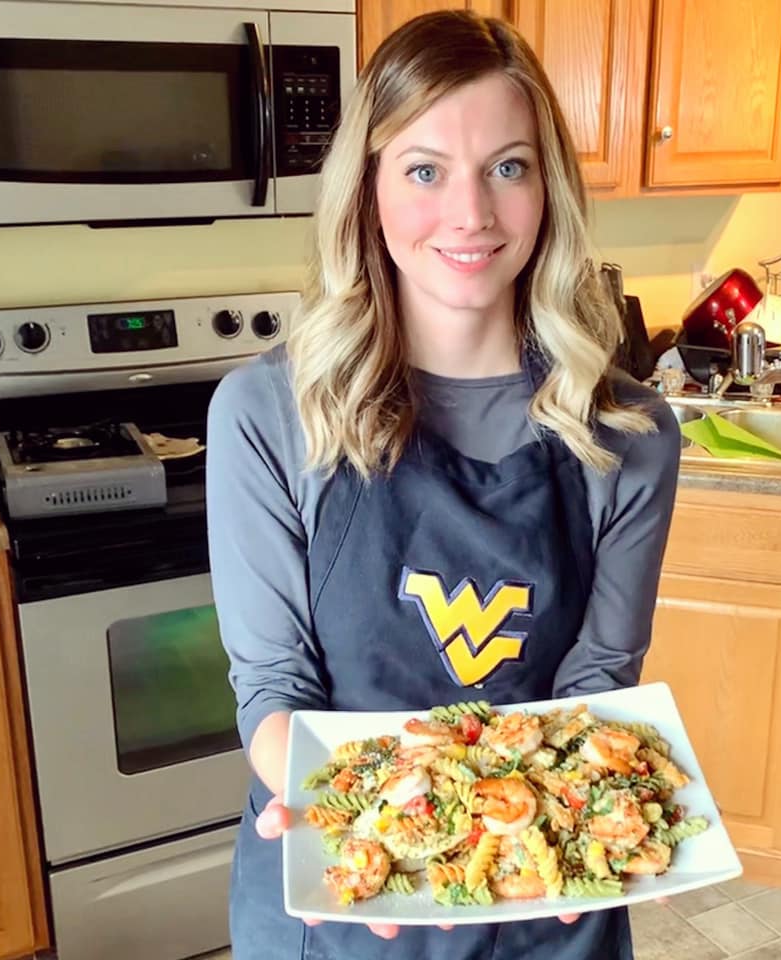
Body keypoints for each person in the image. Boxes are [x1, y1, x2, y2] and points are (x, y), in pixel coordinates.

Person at [206, 9, 680, 960]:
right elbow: (274, 687)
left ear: (548, 190)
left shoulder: (627, 433)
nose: (471, 214)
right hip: (335, 882)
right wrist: (362, 827)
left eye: (508, 166)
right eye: (425, 170)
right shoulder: (268, 413)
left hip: (545, 898)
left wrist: (585, 826)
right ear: (369, 190)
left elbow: (595, 683)